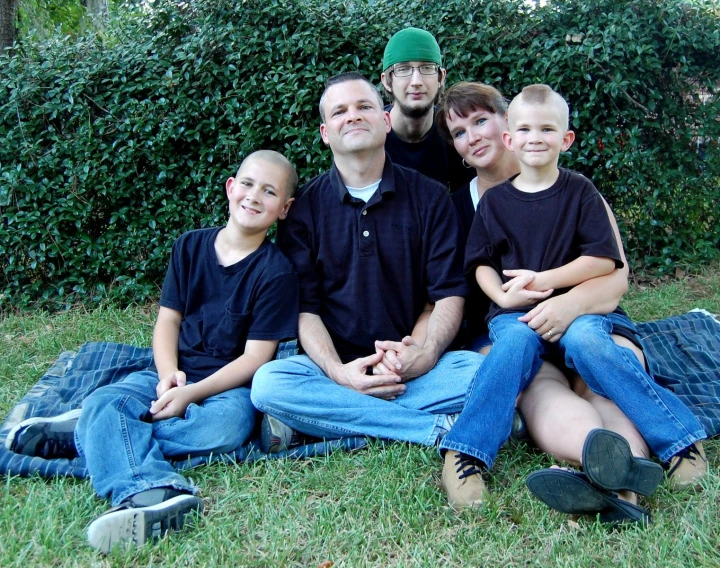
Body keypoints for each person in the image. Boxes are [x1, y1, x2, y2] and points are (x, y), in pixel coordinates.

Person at [437, 83, 707, 523]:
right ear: (512, 136)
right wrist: (504, 295)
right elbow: (479, 264)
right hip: (519, 318)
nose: (474, 136)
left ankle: (672, 447)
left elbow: (608, 266)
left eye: (481, 120)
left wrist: (563, 300)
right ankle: (466, 455)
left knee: (591, 349)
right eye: (460, 131)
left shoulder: (579, 191)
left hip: (587, 319)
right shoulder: (484, 204)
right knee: (516, 352)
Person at [5, 150, 300, 552]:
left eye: (269, 192)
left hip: (227, 387)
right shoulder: (190, 247)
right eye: (247, 184)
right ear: (231, 188)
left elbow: (254, 359)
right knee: (108, 399)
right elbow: (167, 322)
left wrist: (192, 394)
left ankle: (88, 434)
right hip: (168, 370)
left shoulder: (276, 271)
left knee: (224, 431)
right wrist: (168, 376)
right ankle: (149, 491)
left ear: (283, 208)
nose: (254, 196)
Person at [251, 72, 484, 460]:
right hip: (334, 372)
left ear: (386, 120)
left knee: (479, 371)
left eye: (364, 106)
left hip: (412, 370)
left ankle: (324, 422)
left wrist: (421, 354)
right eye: (340, 111)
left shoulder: (430, 198)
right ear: (326, 133)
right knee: (269, 384)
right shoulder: (304, 211)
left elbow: (445, 296)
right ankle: (432, 429)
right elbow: (306, 310)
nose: (353, 116)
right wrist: (340, 373)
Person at [380, 27, 473, 191]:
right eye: (403, 69)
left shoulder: (455, 132)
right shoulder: (372, 135)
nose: (416, 81)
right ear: (387, 81)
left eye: (427, 68)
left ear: (441, 77)